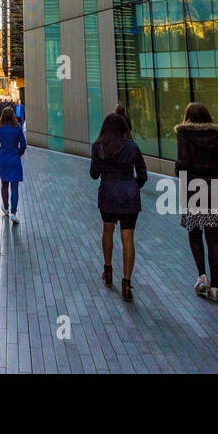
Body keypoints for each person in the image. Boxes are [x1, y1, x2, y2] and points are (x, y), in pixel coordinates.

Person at [174, 102, 218, 301]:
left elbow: (183, 163)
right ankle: (215, 287)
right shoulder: (215, 136)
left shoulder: (184, 135)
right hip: (213, 189)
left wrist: (179, 171)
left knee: (194, 234)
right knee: (214, 239)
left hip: (193, 188)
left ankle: (202, 278)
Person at [90, 113, 148, 302]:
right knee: (128, 238)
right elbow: (142, 174)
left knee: (107, 230)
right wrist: (132, 186)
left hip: (108, 192)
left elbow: (93, 174)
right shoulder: (132, 147)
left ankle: (107, 271)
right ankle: (127, 283)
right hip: (129, 195)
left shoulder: (98, 146)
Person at [0, 106, 27, 223]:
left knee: (4, 185)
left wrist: (0, 151)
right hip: (15, 159)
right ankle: (13, 212)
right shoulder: (17, 128)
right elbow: (23, 144)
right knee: (15, 187)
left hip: (4, 159)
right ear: (13, 116)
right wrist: (18, 153)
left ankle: (6, 207)